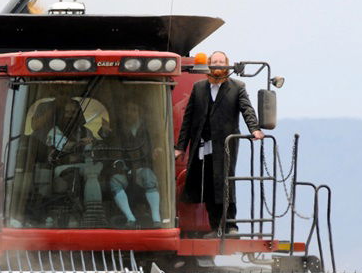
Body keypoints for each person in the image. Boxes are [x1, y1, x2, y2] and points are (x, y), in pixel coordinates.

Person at [175, 51, 263, 234]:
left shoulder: (237, 87)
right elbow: (188, 120)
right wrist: (181, 148)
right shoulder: (199, 87)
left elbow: (247, 109)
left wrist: (254, 129)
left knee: (226, 181)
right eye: (214, 62)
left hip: (225, 144)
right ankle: (215, 226)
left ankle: (231, 225)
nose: (217, 65)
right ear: (209, 65)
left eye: (221, 62)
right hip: (202, 143)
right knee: (207, 183)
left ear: (226, 65)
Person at [103, 101, 164, 227]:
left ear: (140, 112)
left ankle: (156, 219)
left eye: (133, 109)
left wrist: (157, 150)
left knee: (149, 177)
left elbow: (159, 144)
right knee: (115, 181)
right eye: (127, 110)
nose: (129, 113)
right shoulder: (117, 130)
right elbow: (111, 148)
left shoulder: (149, 130)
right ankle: (130, 218)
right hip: (123, 170)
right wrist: (105, 133)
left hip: (142, 169)